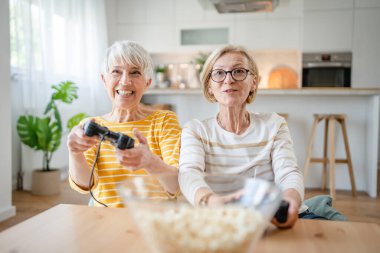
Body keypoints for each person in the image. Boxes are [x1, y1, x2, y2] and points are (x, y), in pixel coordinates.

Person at [178, 45, 308, 228]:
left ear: (253, 82)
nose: (228, 80)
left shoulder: (274, 124)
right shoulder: (195, 130)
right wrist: (210, 201)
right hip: (218, 221)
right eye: (219, 73)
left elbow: (288, 173)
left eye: (238, 71)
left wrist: (289, 203)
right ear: (209, 86)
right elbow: (188, 174)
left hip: (267, 220)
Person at [67, 41, 181, 207]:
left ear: (147, 83)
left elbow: (176, 185)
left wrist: (151, 162)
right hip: (105, 219)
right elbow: (85, 184)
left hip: (152, 219)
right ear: (104, 79)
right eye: (116, 72)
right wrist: (75, 153)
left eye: (135, 73)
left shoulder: (164, 121)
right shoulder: (91, 125)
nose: (125, 81)